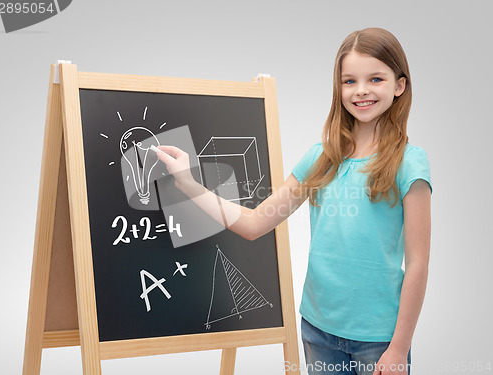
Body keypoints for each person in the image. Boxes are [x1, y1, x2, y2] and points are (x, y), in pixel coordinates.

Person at [155, 27, 432, 375]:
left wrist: (399, 348)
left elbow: (418, 264)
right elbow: (255, 224)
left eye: (375, 78)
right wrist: (189, 183)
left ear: (399, 85)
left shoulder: (410, 162)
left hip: (379, 340)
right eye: (349, 81)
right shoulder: (321, 158)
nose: (361, 91)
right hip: (318, 331)